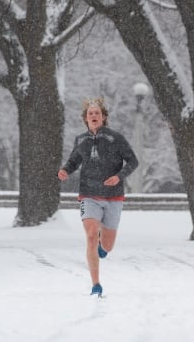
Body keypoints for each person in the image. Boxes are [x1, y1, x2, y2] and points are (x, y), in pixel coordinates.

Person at [58, 98, 138, 297]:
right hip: (89, 194)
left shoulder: (115, 138)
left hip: (113, 196)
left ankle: (104, 244)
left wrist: (118, 177)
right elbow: (74, 161)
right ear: (85, 118)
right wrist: (65, 171)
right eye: (90, 114)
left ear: (103, 117)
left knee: (107, 246)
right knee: (91, 235)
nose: (93, 116)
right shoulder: (80, 140)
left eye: (97, 113)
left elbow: (133, 161)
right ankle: (96, 284)